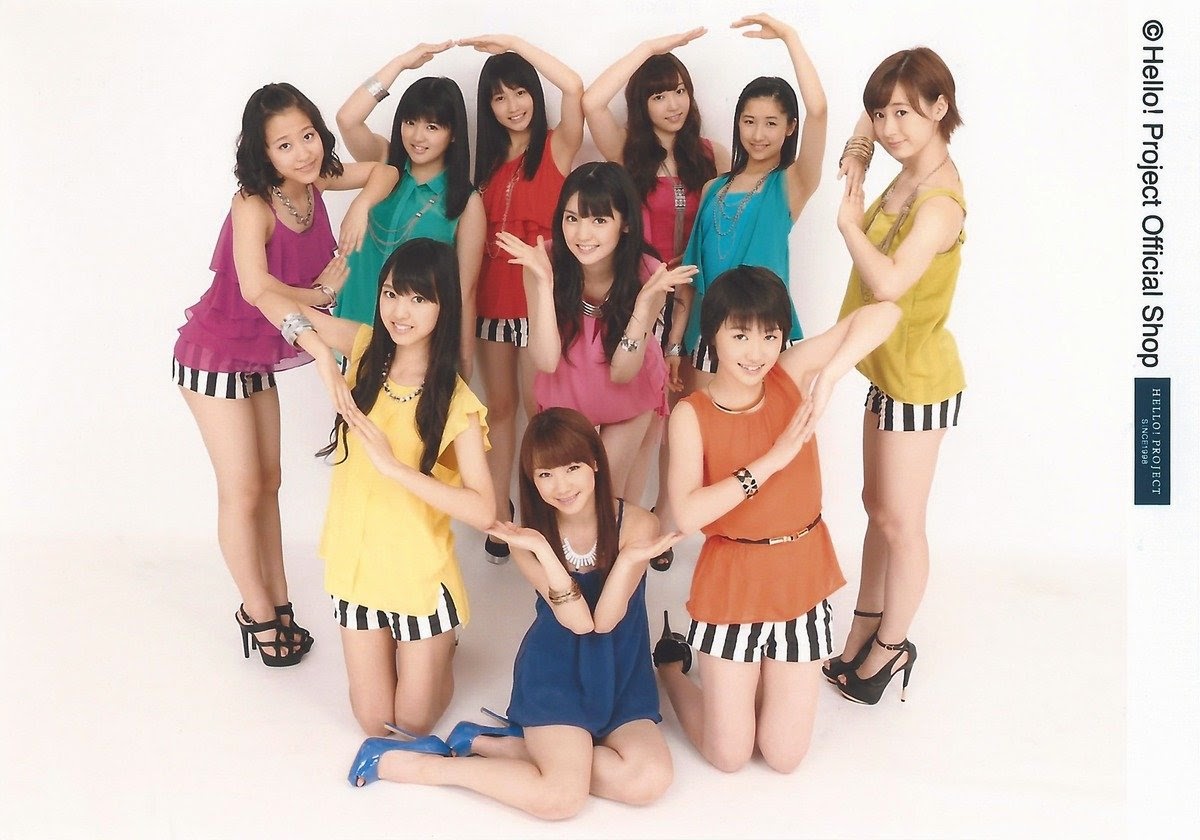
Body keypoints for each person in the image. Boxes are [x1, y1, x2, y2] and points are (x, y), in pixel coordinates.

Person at [346, 407, 679, 820]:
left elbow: (606, 621)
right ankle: (417, 764)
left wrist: (628, 560)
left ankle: (497, 745)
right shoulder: (527, 539)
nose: (561, 486)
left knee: (649, 781)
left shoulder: (638, 524)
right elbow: (579, 622)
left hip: (621, 674)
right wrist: (541, 549)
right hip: (557, 676)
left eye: (572, 468)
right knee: (561, 798)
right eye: (545, 474)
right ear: (532, 480)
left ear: (595, 462)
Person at [173, 83, 398, 667]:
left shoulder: (317, 181)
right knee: (242, 489)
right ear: (262, 153)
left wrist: (360, 208)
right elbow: (255, 288)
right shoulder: (252, 202)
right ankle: (256, 612)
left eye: (308, 136)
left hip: (256, 354)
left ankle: (280, 603)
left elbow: (386, 171)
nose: (302, 152)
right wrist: (319, 294)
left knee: (269, 482)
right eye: (284, 145)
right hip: (213, 355)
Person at [654, 266, 900, 772]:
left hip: (800, 576)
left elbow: (886, 313)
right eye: (740, 335)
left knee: (784, 756)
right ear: (713, 333)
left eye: (769, 335)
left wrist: (830, 375)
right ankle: (673, 672)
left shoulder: (788, 374)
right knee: (729, 755)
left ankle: (755, 676)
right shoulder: (691, 414)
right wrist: (772, 460)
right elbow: (688, 512)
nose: (757, 351)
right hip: (732, 583)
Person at [253, 238, 494, 734]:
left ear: (445, 306)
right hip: (356, 568)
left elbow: (483, 511)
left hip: (417, 576)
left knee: (413, 723)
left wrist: (397, 469)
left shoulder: (455, 401)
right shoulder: (364, 349)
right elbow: (263, 295)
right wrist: (321, 354)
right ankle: (416, 653)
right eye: (391, 294)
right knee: (373, 722)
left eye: (419, 298)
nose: (400, 312)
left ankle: (443, 644)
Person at [823, 47, 966, 705]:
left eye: (904, 113)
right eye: (882, 114)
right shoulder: (905, 162)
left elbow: (887, 283)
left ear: (940, 107)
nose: (887, 127)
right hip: (885, 370)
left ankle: (891, 647)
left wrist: (848, 224)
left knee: (902, 522)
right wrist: (859, 152)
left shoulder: (939, 203)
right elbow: (869, 118)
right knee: (875, 508)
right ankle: (864, 625)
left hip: (918, 382)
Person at [582, 28, 731, 544]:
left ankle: (667, 522)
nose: (673, 104)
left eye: (680, 91)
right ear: (641, 104)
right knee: (647, 413)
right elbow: (591, 101)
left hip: (700, 296)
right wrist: (648, 49)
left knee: (687, 415)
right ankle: (626, 517)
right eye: (659, 94)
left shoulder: (712, 155)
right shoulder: (628, 154)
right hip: (641, 299)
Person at [496, 162, 696, 501]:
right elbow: (545, 360)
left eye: (599, 220)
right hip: (566, 389)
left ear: (626, 224)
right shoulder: (543, 262)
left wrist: (643, 306)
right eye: (572, 218)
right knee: (572, 502)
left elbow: (623, 373)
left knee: (612, 501)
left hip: (630, 389)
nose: (582, 235)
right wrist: (543, 284)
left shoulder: (649, 273)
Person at [459, 34, 584, 563]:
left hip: (540, 306)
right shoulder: (485, 164)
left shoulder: (557, 145)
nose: (512, 106)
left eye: (520, 92)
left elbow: (574, 87)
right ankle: (499, 510)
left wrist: (514, 43)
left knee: (541, 411)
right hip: (492, 302)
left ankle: (545, 510)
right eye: (498, 97)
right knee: (500, 409)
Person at [679, 13, 827, 392]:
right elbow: (691, 278)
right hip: (708, 335)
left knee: (758, 426)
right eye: (749, 121)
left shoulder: (790, 184)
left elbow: (819, 112)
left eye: (771, 123)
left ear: (790, 127)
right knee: (706, 427)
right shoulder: (713, 188)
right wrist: (673, 345)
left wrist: (791, 36)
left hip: (762, 336)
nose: (758, 134)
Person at [334, 43, 486, 377]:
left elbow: (464, 292)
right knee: (349, 412)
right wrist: (400, 63)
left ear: (454, 134)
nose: (417, 136)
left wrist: (463, 365)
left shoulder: (465, 202)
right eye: (410, 122)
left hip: (413, 346)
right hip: (352, 328)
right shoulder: (382, 165)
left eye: (433, 127)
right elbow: (347, 118)